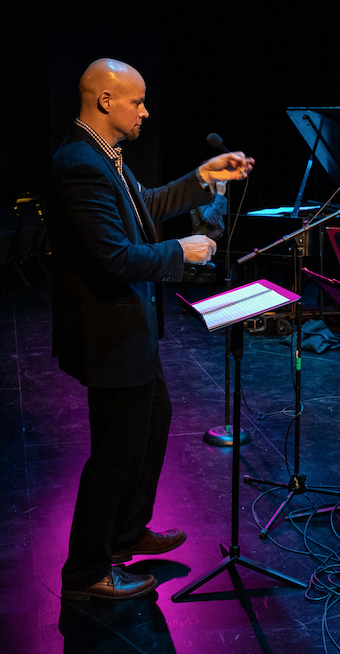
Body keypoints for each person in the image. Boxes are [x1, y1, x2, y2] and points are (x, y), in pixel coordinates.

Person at [49, 58, 254, 601]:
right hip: (110, 336)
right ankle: (89, 569)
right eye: (137, 101)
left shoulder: (104, 156)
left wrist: (204, 177)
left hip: (131, 332)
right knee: (115, 451)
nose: (145, 110)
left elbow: (147, 209)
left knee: (153, 421)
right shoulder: (80, 164)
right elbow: (113, 258)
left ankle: (126, 530)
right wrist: (179, 250)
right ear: (104, 102)